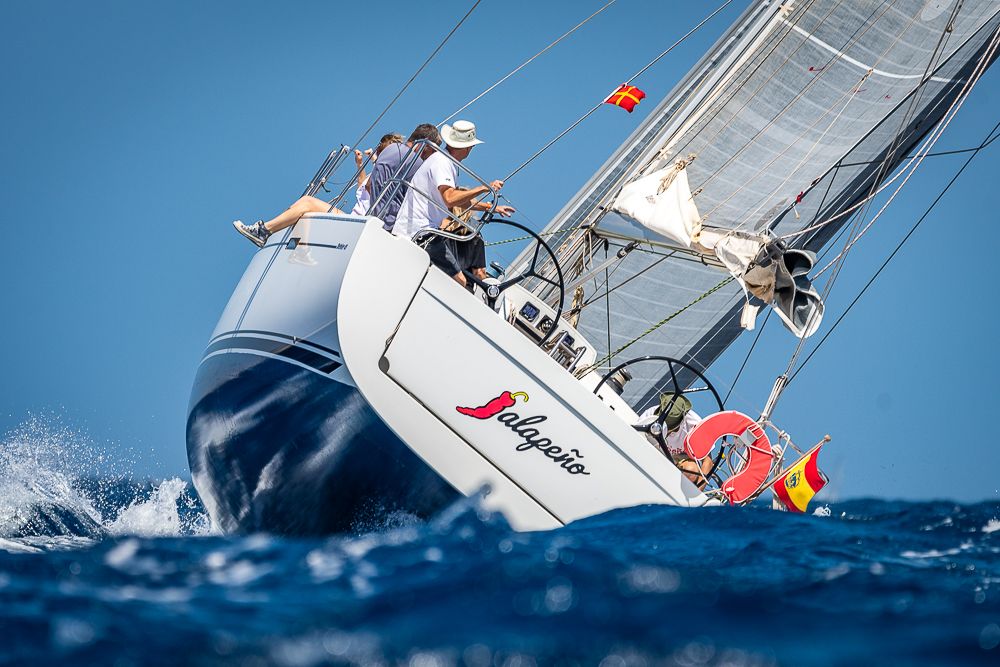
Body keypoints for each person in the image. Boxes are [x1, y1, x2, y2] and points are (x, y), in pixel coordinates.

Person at [231, 133, 405, 247]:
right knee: (304, 213)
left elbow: (371, 186)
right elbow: (363, 187)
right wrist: (360, 165)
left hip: (360, 224)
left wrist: (376, 161)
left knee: (307, 202)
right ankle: (300, 250)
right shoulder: (377, 174)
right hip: (354, 220)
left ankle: (263, 231)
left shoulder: (388, 174)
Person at [392, 120, 515, 241]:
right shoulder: (443, 161)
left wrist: (489, 207)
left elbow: (458, 201)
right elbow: (450, 199)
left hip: (417, 230)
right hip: (417, 232)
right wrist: (483, 188)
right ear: (467, 148)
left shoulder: (444, 160)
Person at [368, 123, 442, 231]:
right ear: (425, 144)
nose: (431, 156)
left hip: (373, 218)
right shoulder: (415, 162)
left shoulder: (389, 148)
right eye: (433, 150)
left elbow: (369, 185)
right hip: (391, 227)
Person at [635, 393, 713, 488]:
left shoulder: (694, 424)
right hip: (652, 454)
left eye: (668, 430)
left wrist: (698, 491)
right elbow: (635, 439)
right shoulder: (649, 414)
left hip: (680, 460)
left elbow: (708, 460)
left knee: (691, 471)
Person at [424, 190, 488, 289]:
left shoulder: (436, 224)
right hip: (459, 287)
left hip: (430, 273)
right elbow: (479, 274)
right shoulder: (475, 237)